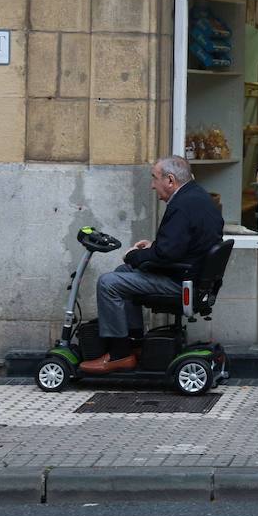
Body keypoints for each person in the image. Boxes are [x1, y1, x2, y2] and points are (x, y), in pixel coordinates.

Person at [80, 156, 223, 374]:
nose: (152, 184)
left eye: (154, 178)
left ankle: (119, 355)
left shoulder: (182, 206)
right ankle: (135, 343)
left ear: (170, 180)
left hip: (181, 281)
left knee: (108, 283)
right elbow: (182, 243)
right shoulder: (198, 198)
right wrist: (152, 247)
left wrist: (134, 255)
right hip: (190, 274)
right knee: (122, 274)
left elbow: (166, 254)